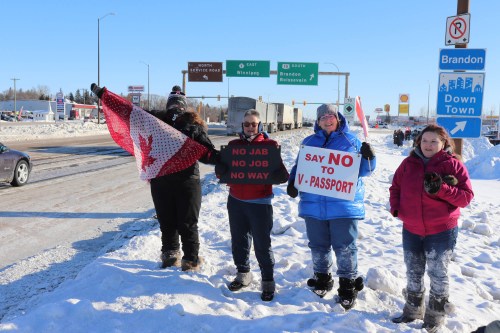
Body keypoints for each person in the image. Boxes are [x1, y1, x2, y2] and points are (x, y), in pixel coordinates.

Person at [286, 104, 376, 310]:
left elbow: (365, 170)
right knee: (318, 246)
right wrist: (293, 182)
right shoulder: (308, 142)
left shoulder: (350, 141)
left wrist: (370, 156)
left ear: (338, 118)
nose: (327, 119)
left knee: (344, 247)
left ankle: (347, 286)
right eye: (323, 117)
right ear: (317, 121)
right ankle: (322, 279)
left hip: (343, 206)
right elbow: (300, 167)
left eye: (331, 116)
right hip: (314, 205)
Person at [389, 124, 474, 332]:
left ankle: (435, 316)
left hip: (441, 231)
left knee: (438, 273)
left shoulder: (453, 165)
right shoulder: (408, 164)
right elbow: (395, 187)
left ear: (443, 143)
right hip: (411, 229)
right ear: (418, 142)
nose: (428, 145)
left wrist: (442, 189)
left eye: (433, 141)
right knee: (413, 271)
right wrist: (396, 209)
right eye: (424, 141)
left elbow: (466, 197)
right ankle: (412, 310)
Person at [215, 109, 289, 302]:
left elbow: (282, 174)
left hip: (260, 203)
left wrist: (278, 170)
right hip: (236, 201)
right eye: (246, 124)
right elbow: (224, 174)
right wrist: (220, 169)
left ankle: (268, 282)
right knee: (239, 240)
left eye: (253, 124)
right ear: (242, 126)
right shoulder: (233, 145)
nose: (249, 127)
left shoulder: (270, 146)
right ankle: (243, 274)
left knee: (262, 245)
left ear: (260, 126)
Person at [149, 85, 219, 272]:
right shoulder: (191, 124)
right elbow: (208, 154)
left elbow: (128, 113)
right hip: (185, 180)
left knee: (168, 220)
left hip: (161, 180)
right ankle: (189, 260)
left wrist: (105, 96)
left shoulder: (154, 122)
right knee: (185, 222)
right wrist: (227, 160)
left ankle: (172, 256)